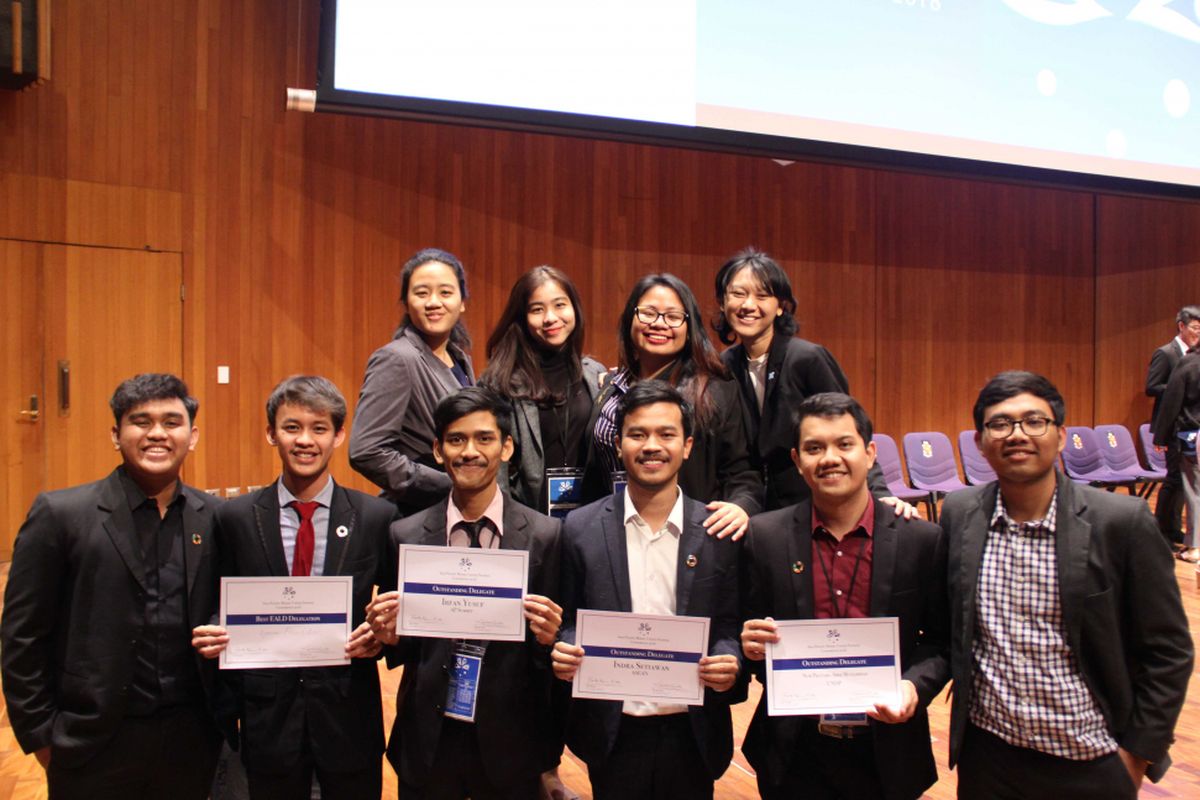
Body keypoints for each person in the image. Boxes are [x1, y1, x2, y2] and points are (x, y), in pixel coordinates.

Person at [942, 370, 1192, 799]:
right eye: (1000, 423)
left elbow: (1168, 650)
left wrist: (1136, 755)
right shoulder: (960, 513)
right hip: (988, 759)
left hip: (1090, 761)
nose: (1017, 434)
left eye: (1034, 421)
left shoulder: (1122, 521)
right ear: (980, 442)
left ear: (1060, 436)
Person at [1, 373, 224, 798]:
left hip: (190, 739)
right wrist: (42, 736)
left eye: (172, 422)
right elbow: (23, 634)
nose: (157, 433)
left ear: (192, 436)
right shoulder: (61, 514)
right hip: (90, 740)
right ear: (115, 434)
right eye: (141, 421)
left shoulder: (215, 517)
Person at [190, 375, 396, 798]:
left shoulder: (376, 517)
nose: (305, 440)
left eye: (319, 428)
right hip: (269, 716)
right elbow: (215, 601)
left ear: (339, 435)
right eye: (292, 427)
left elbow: (397, 611)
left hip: (347, 714)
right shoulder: (235, 517)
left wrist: (383, 635)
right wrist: (214, 629)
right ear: (271, 433)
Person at [739, 392, 950, 800]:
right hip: (793, 751)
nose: (830, 458)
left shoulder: (920, 539)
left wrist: (913, 687)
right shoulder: (763, 537)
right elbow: (742, 627)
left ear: (870, 454)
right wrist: (748, 644)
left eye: (844, 444)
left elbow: (942, 643)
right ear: (798, 461)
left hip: (888, 750)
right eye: (814, 448)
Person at [367, 386, 564, 799]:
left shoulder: (545, 536)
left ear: (507, 447)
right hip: (429, 738)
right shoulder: (405, 535)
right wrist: (389, 634)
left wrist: (550, 638)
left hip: (512, 740)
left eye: (484, 439)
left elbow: (551, 656)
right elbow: (401, 649)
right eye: (456, 440)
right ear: (438, 451)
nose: (469, 451)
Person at [553, 380, 742, 800]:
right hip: (614, 732)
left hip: (691, 732)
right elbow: (567, 621)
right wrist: (564, 647)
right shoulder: (580, 530)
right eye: (637, 434)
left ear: (687, 445)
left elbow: (730, 625)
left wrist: (730, 659)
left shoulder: (717, 531)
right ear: (619, 444)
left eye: (666, 434)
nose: (651, 445)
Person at [713, 248, 914, 516]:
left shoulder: (806, 358)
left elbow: (850, 424)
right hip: (754, 508)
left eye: (762, 295)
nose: (748, 305)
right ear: (723, 303)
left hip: (812, 501)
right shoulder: (724, 365)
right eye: (738, 294)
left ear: (781, 307)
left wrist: (879, 493)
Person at [584, 273, 761, 539]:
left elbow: (742, 472)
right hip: (611, 532)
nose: (659, 324)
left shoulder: (713, 390)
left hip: (683, 534)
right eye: (648, 313)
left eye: (673, 316)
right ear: (629, 320)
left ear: (690, 328)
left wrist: (741, 506)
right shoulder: (612, 384)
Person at [349, 246, 475, 515]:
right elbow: (366, 451)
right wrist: (451, 484)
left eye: (445, 292)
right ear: (406, 303)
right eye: (421, 293)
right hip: (416, 514)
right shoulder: (396, 358)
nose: (433, 302)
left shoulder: (459, 358)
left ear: (462, 301)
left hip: (455, 512)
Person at [480, 265, 606, 512]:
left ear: (574, 309)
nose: (550, 317)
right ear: (522, 318)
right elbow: (495, 468)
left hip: (590, 516)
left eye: (560, 305)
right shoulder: (499, 382)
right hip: (528, 518)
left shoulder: (594, 374)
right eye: (537, 309)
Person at [1145, 305, 1200, 547]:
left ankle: (1174, 528)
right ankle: (1160, 530)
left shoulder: (1193, 357)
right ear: (1181, 326)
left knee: (1183, 481)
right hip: (1172, 426)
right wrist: (1178, 388)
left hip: (1186, 424)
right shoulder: (1166, 353)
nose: (1198, 333)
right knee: (1174, 479)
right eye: (1195, 328)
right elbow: (1152, 386)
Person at [1153, 349, 1200, 562]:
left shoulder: (1189, 364)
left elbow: (1171, 402)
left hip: (1193, 435)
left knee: (1194, 490)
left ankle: (1195, 548)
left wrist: (1160, 437)